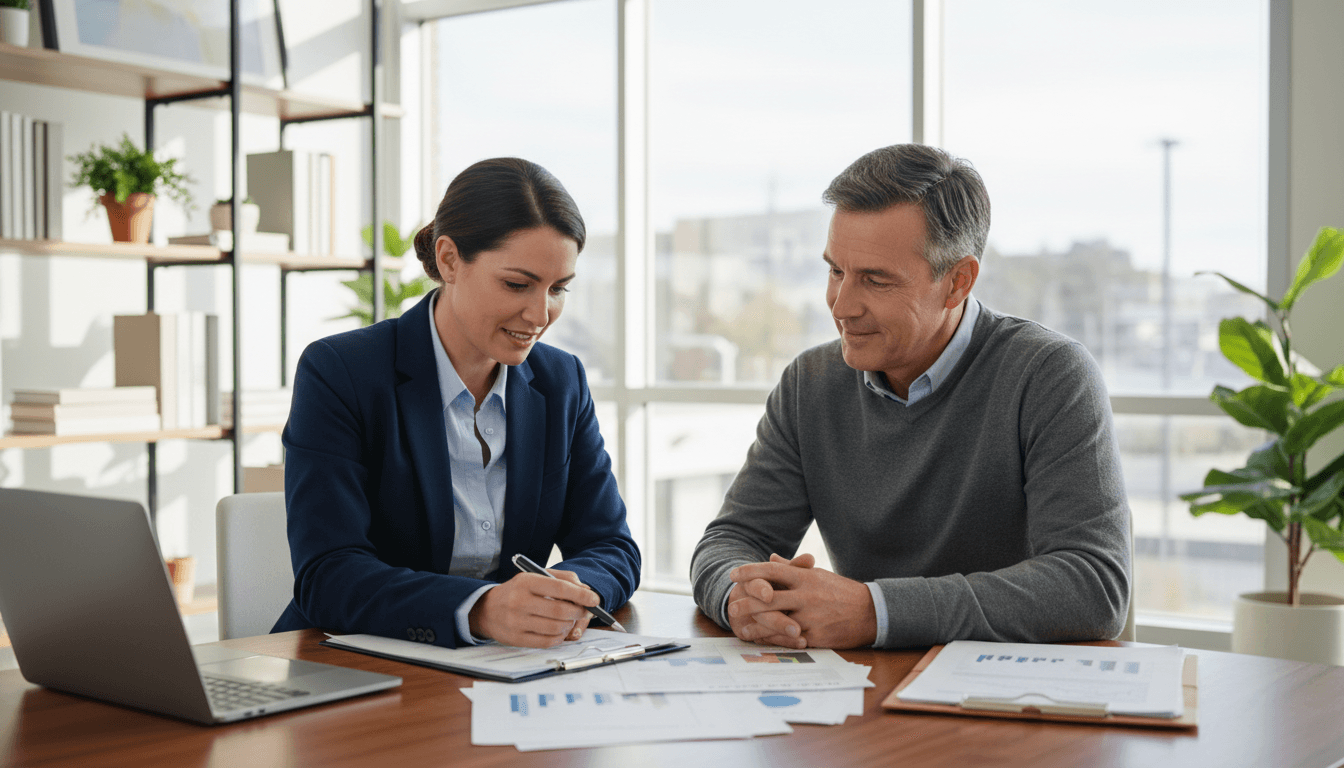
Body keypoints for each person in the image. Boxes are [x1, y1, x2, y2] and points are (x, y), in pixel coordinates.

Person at [690, 144, 1131, 650]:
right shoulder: (810, 383)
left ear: (957, 282)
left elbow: (1093, 584)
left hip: (1014, 700)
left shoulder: (1049, 375)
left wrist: (873, 611)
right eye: (835, 271)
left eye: (875, 280)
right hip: (872, 691)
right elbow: (729, 541)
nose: (841, 305)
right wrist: (744, 600)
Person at [274, 157, 640, 649]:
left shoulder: (560, 381)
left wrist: (573, 588)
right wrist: (483, 609)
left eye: (558, 289)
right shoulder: (342, 372)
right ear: (448, 259)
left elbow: (610, 544)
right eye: (517, 284)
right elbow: (329, 574)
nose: (540, 314)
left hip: (503, 668)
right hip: (354, 664)